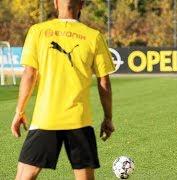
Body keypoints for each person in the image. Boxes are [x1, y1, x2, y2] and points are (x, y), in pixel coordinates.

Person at [11, 0, 115, 179]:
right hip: (80, 120)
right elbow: (103, 81)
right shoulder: (93, 36)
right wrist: (108, 118)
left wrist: (19, 111)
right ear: (81, 4)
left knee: (24, 177)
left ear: (55, 3)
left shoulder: (37, 31)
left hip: (46, 118)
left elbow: (29, 75)